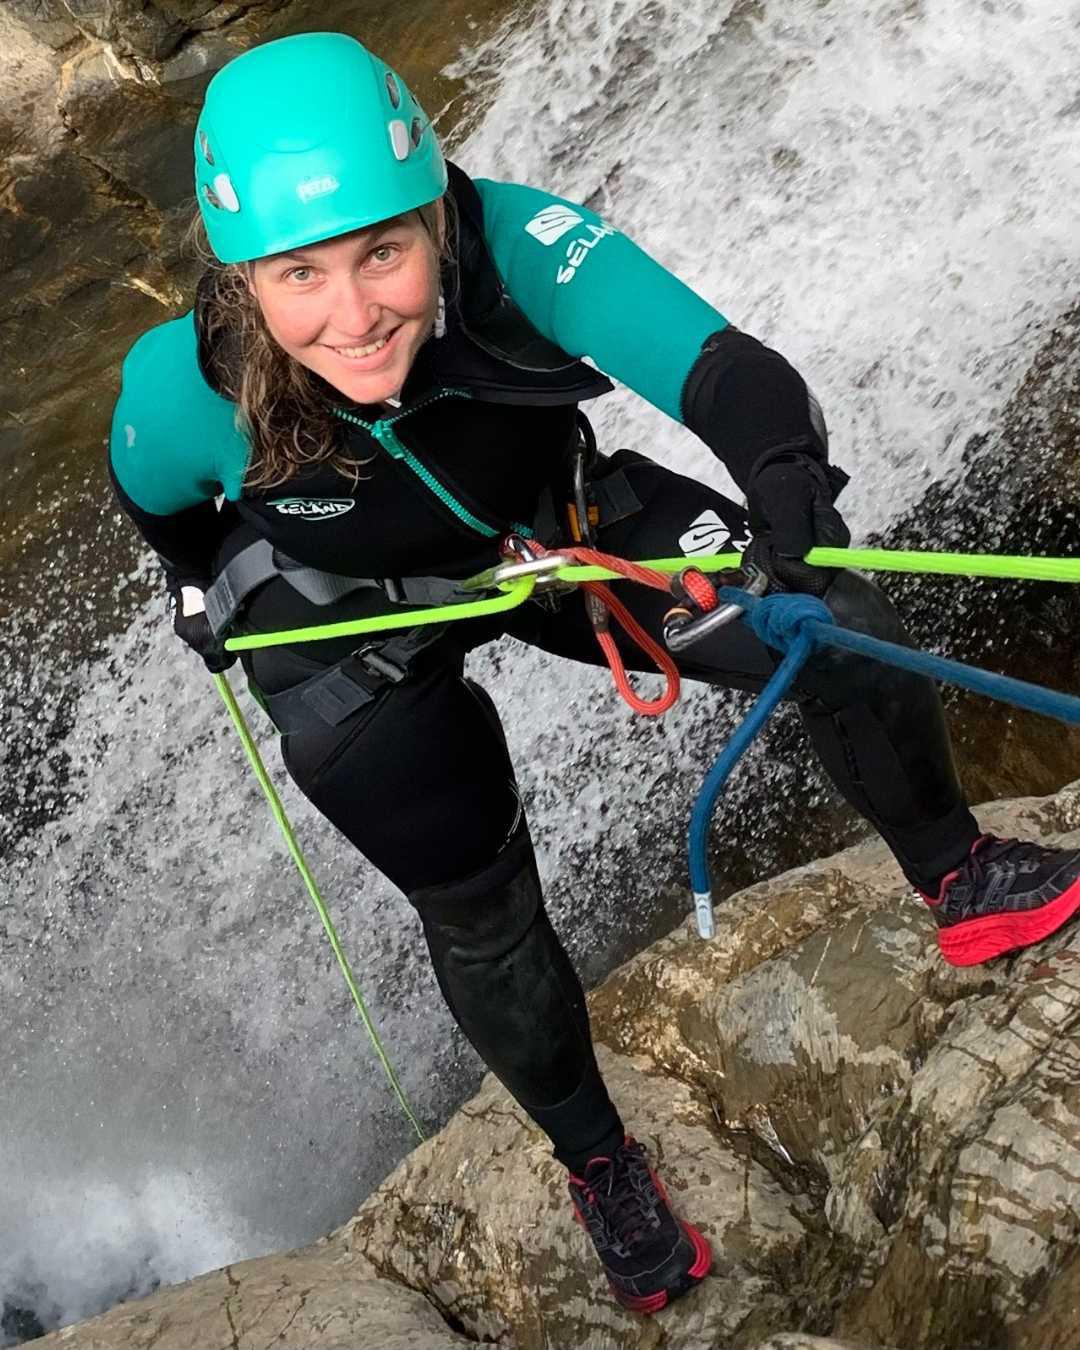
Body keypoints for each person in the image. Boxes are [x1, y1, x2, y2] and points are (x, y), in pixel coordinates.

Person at [108, 31, 1080, 1313]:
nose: (355, 316)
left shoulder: (517, 245)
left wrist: (785, 481)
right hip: (344, 617)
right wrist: (197, 590)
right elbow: (162, 504)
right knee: (477, 903)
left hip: (558, 532)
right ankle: (599, 1164)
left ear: (432, 219)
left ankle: (960, 874)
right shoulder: (186, 389)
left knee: (831, 620)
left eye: (384, 253)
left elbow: (720, 367)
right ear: (241, 276)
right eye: (302, 273)